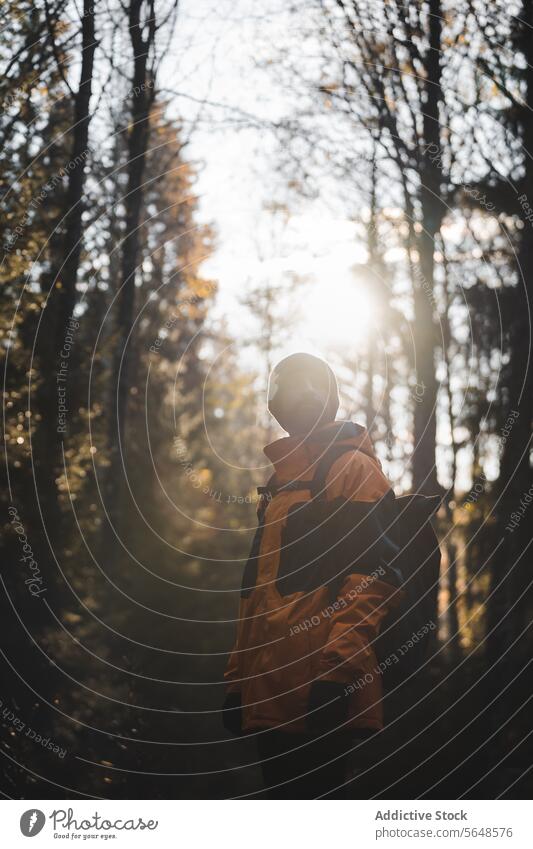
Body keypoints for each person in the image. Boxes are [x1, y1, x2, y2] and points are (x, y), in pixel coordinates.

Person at [222, 352, 403, 798]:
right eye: (284, 397)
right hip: (271, 693)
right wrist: (238, 679)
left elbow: (375, 578)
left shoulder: (352, 469)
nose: (293, 407)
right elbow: (256, 594)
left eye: (302, 395)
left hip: (322, 689)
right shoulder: (280, 484)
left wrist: (338, 673)